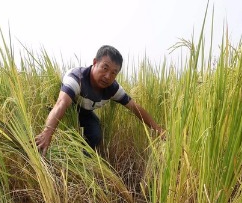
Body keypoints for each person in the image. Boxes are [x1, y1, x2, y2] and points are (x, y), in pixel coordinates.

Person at [35, 45, 164, 154]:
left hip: (85, 111)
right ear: (95, 62)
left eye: (114, 73)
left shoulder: (113, 89)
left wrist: (158, 129)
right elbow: (61, 104)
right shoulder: (76, 78)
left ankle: (80, 159)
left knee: (95, 135)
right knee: (55, 124)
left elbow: (135, 108)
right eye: (105, 68)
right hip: (65, 106)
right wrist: (47, 133)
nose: (108, 76)